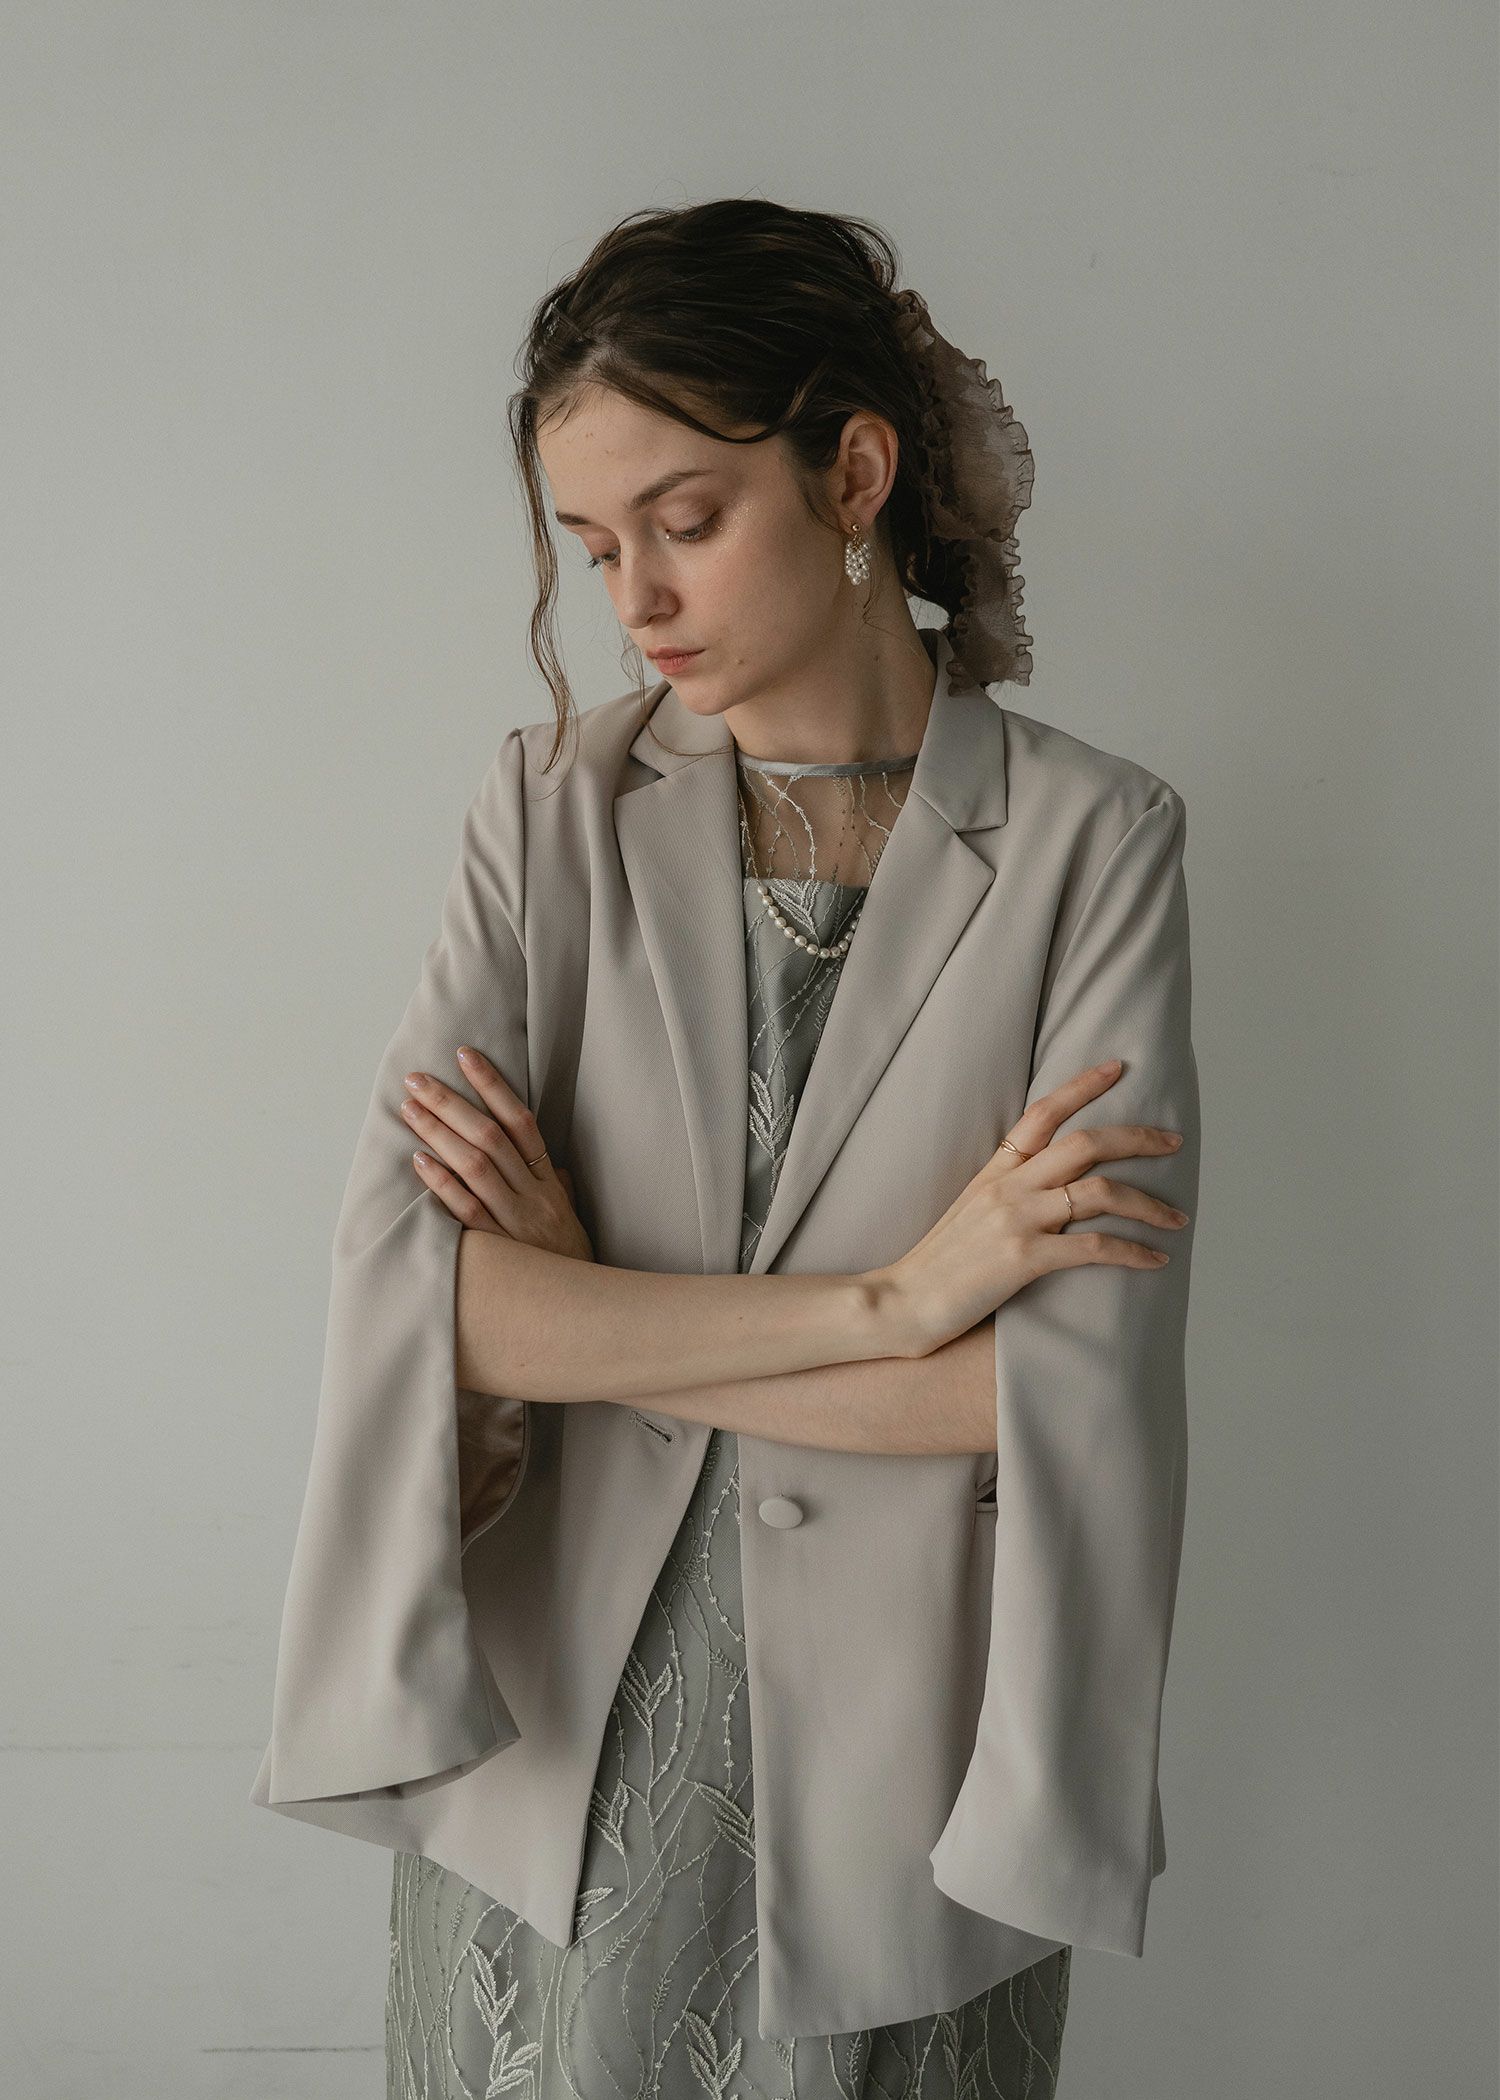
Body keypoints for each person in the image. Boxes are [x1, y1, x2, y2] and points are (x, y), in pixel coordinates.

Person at [250, 199, 1200, 2098]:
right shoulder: (549, 806)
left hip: (900, 1791)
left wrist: (592, 1311)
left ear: (855, 474)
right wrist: (896, 1302)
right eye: (597, 547)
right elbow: (428, 1302)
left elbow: (1051, 1387)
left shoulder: (1097, 844)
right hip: (554, 1771)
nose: (637, 599)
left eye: (685, 520)